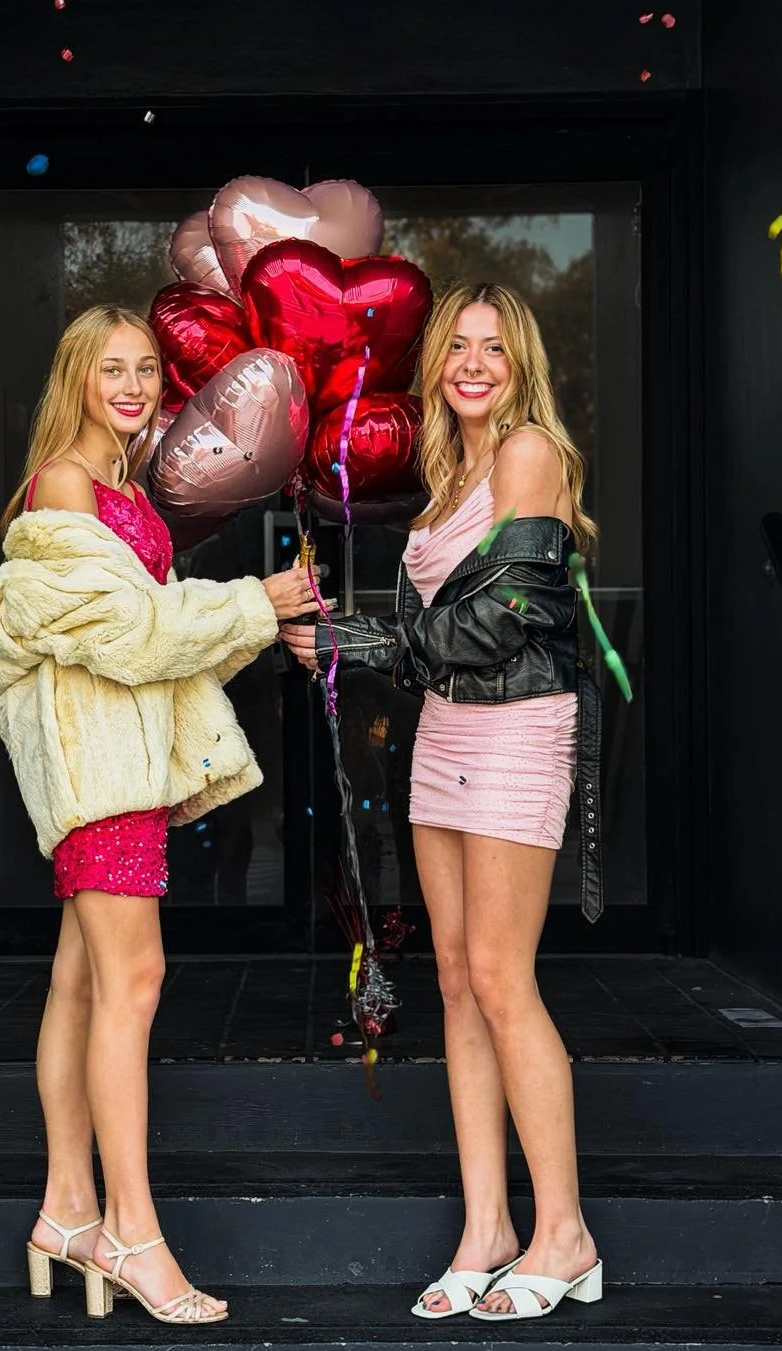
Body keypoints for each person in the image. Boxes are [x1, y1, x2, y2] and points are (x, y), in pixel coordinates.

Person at [0, 305, 327, 1326]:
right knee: (134, 979)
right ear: (76, 380)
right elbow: (129, 631)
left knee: (83, 980)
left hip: (118, 761)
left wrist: (269, 626)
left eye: (145, 370)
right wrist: (259, 599)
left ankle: (67, 1209)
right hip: (98, 771)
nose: (132, 388)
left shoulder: (124, 490)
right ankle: (133, 1232)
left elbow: (161, 646)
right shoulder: (61, 488)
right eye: (111, 370)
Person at [281, 281, 604, 1323]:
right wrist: (335, 628)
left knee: (506, 979)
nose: (473, 363)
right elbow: (438, 641)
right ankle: (488, 1229)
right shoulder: (449, 469)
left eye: (494, 348)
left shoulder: (528, 455)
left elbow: (505, 619)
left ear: (522, 366)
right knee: (459, 982)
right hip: (444, 738)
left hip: (515, 731)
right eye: (458, 347)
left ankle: (566, 1233)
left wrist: (359, 642)